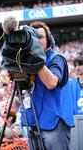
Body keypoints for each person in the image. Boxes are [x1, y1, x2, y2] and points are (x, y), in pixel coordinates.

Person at [21, 21, 75, 150]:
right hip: (33, 121)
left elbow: (51, 83)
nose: (36, 41)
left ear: (49, 40)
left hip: (54, 123)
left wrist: (36, 58)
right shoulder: (26, 61)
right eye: (33, 38)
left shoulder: (57, 59)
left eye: (40, 37)